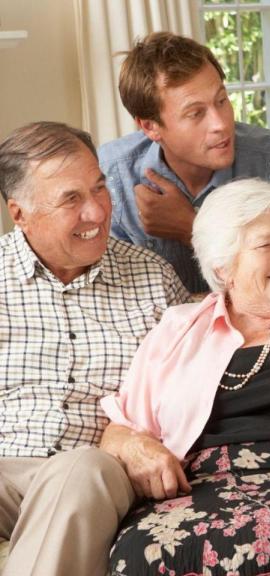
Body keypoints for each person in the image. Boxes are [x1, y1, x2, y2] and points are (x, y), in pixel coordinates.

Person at [99, 180, 270, 575]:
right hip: (193, 488)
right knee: (137, 554)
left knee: (256, 551)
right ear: (223, 266)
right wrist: (135, 448)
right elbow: (120, 425)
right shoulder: (178, 328)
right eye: (266, 246)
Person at [0, 121, 189, 575]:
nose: (97, 212)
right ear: (19, 214)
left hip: (96, 469)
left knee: (80, 470)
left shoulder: (153, 279)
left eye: (99, 188)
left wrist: (133, 437)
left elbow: (198, 388)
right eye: (71, 200)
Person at [99, 32, 270, 293]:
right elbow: (120, 294)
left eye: (222, 101)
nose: (220, 124)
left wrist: (191, 226)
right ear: (150, 126)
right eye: (195, 113)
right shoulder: (113, 175)